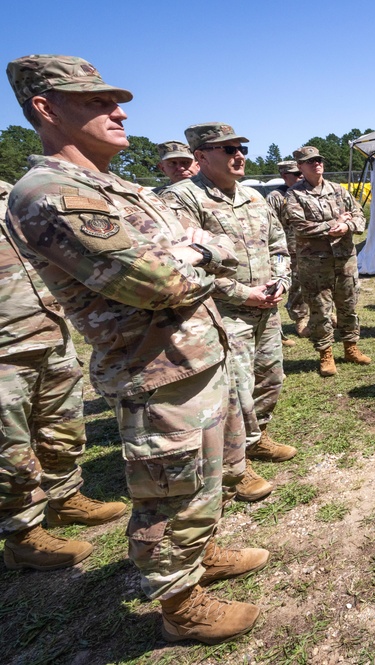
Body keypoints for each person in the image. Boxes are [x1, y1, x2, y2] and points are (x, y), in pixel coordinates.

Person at [5, 54, 268, 643]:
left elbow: (199, 246)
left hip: (197, 353)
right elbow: (158, 280)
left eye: (114, 100)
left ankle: (201, 555)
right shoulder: (49, 193)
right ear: (46, 109)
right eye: (96, 102)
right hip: (154, 367)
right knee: (168, 490)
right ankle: (179, 604)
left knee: (204, 478)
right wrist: (195, 252)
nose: (119, 111)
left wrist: (192, 251)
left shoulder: (116, 186)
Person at [160, 123, 296, 504]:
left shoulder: (254, 197)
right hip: (221, 313)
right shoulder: (181, 199)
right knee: (235, 392)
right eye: (228, 149)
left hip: (265, 307)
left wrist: (281, 281)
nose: (239, 155)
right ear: (201, 156)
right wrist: (242, 293)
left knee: (270, 377)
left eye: (241, 148)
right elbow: (185, 264)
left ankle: (257, 438)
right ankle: (236, 467)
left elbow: (278, 245)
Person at [1, 180, 127, 572]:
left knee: (64, 425)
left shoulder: (12, 196)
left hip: (47, 326)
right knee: (10, 448)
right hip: (4, 347)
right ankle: (21, 535)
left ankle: (64, 498)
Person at [282, 146, 370, 374]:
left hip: (344, 258)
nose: (316, 163)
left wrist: (347, 225)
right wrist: (334, 224)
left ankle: (351, 348)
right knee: (320, 309)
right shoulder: (294, 195)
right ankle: (326, 354)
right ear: (300, 167)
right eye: (310, 161)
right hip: (314, 262)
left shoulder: (339, 190)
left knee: (348, 304)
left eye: (319, 159)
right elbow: (300, 226)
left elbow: (359, 215)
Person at [267, 161, 308, 340]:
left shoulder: (305, 193)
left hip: (309, 248)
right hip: (286, 251)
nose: (301, 177)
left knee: (315, 283)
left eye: (302, 173)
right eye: (297, 174)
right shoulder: (276, 197)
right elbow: (269, 227)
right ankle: (300, 319)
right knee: (291, 285)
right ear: (285, 176)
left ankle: (321, 315)